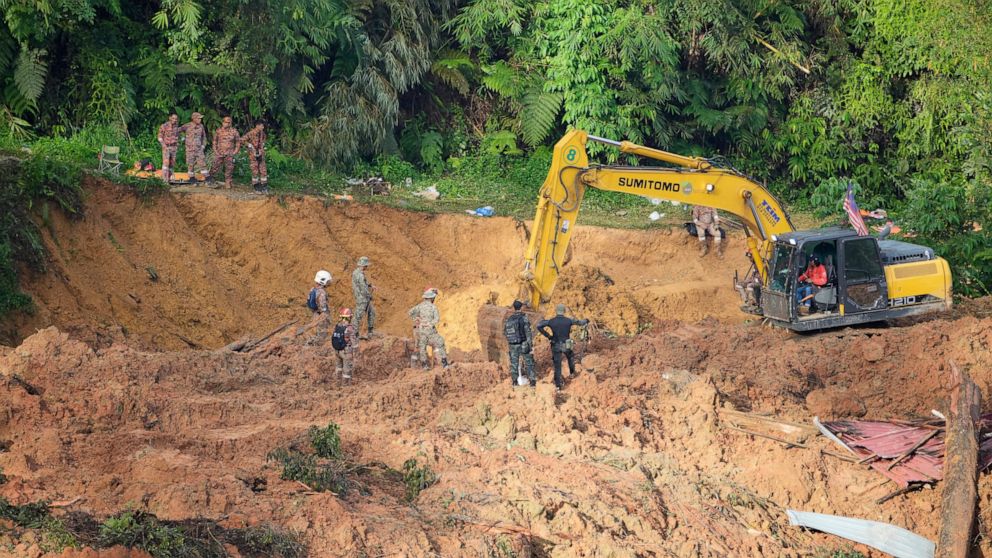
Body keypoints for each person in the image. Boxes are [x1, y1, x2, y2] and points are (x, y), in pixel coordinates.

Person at [536, 304, 589, 391]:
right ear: (564, 311)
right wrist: (586, 320)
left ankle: (558, 386)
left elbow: (539, 325)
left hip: (555, 345)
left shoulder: (551, 321)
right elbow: (580, 323)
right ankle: (572, 373)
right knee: (570, 357)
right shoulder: (568, 320)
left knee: (557, 365)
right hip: (566, 345)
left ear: (556, 311)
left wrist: (548, 336)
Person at [408, 288, 449, 370]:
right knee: (439, 342)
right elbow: (437, 319)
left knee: (420, 347)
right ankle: (444, 364)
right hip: (430, 332)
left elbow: (410, 312)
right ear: (432, 298)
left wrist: (416, 319)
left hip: (420, 331)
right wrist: (429, 324)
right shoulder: (433, 307)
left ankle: (423, 366)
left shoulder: (419, 306)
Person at [504, 300, 536, 388]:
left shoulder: (509, 319)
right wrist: (530, 345)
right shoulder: (524, 317)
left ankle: (515, 382)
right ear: (521, 307)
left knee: (514, 363)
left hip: (512, 345)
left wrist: (511, 342)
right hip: (523, 344)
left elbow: (505, 333)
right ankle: (532, 382)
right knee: (529, 362)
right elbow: (528, 332)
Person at [210, 116, 241, 189]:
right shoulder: (218, 131)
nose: (227, 124)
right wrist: (215, 151)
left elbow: (238, 142)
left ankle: (228, 182)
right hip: (219, 153)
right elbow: (214, 141)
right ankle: (210, 180)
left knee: (229, 168)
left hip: (229, 153)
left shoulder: (234, 131)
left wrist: (235, 151)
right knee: (215, 166)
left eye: (229, 122)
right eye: (226, 122)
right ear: (223, 122)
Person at [331, 308, 359, 385]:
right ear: (349, 317)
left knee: (339, 367)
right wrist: (356, 355)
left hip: (337, 350)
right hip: (346, 352)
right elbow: (354, 343)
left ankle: (337, 382)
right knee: (347, 370)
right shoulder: (350, 328)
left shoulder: (337, 326)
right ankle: (345, 386)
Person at [351, 256, 376, 339]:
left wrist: (370, 285)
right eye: (366, 265)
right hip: (362, 299)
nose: (367, 267)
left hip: (361, 297)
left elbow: (363, 284)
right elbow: (363, 288)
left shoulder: (356, 272)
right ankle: (354, 333)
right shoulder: (360, 275)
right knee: (358, 315)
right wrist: (370, 296)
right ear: (363, 265)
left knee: (371, 312)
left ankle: (370, 331)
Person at [180, 112, 208, 181]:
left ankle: (208, 178)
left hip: (199, 149)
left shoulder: (201, 126)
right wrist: (182, 139)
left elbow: (204, 137)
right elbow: (177, 131)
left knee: (202, 163)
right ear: (194, 119)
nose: (200, 120)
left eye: (200, 118)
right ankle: (191, 178)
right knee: (190, 164)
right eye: (198, 118)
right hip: (189, 149)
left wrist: (203, 146)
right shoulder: (187, 126)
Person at [307, 270, 332, 344]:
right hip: (321, 316)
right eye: (327, 281)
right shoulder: (322, 292)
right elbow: (322, 306)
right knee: (322, 333)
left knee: (316, 331)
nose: (328, 282)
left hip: (315, 314)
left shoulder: (313, 289)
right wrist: (325, 314)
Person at [241, 122, 268, 192]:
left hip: (261, 154)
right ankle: (256, 185)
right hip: (253, 155)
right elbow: (242, 140)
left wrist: (262, 148)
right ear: (257, 126)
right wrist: (249, 145)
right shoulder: (251, 133)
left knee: (263, 170)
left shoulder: (262, 134)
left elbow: (264, 140)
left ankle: (264, 185)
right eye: (262, 126)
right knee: (255, 170)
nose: (263, 127)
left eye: (263, 126)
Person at [157, 113, 180, 184]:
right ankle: (164, 181)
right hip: (166, 147)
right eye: (173, 118)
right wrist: (163, 145)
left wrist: (177, 143)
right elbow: (159, 137)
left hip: (174, 147)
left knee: (172, 164)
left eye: (176, 119)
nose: (175, 120)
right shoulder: (164, 126)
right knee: (166, 164)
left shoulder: (176, 126)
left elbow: (177, 136)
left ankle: (170, 179)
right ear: (170, 118)